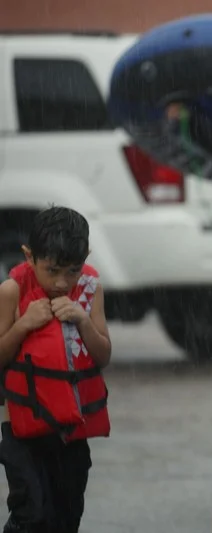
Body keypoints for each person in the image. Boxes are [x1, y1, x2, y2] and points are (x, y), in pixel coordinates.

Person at [0, 206, 112, 533]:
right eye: (52, 270)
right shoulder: (12, 291)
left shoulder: (90, 290)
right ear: (29, 256)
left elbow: (103, 355)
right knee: (31, 513)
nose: (62, 282)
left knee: (66, 515)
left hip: (70, 431)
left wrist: (82, 320)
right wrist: (23, 325)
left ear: (85, 258)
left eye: (73, 271)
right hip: (22, 427)